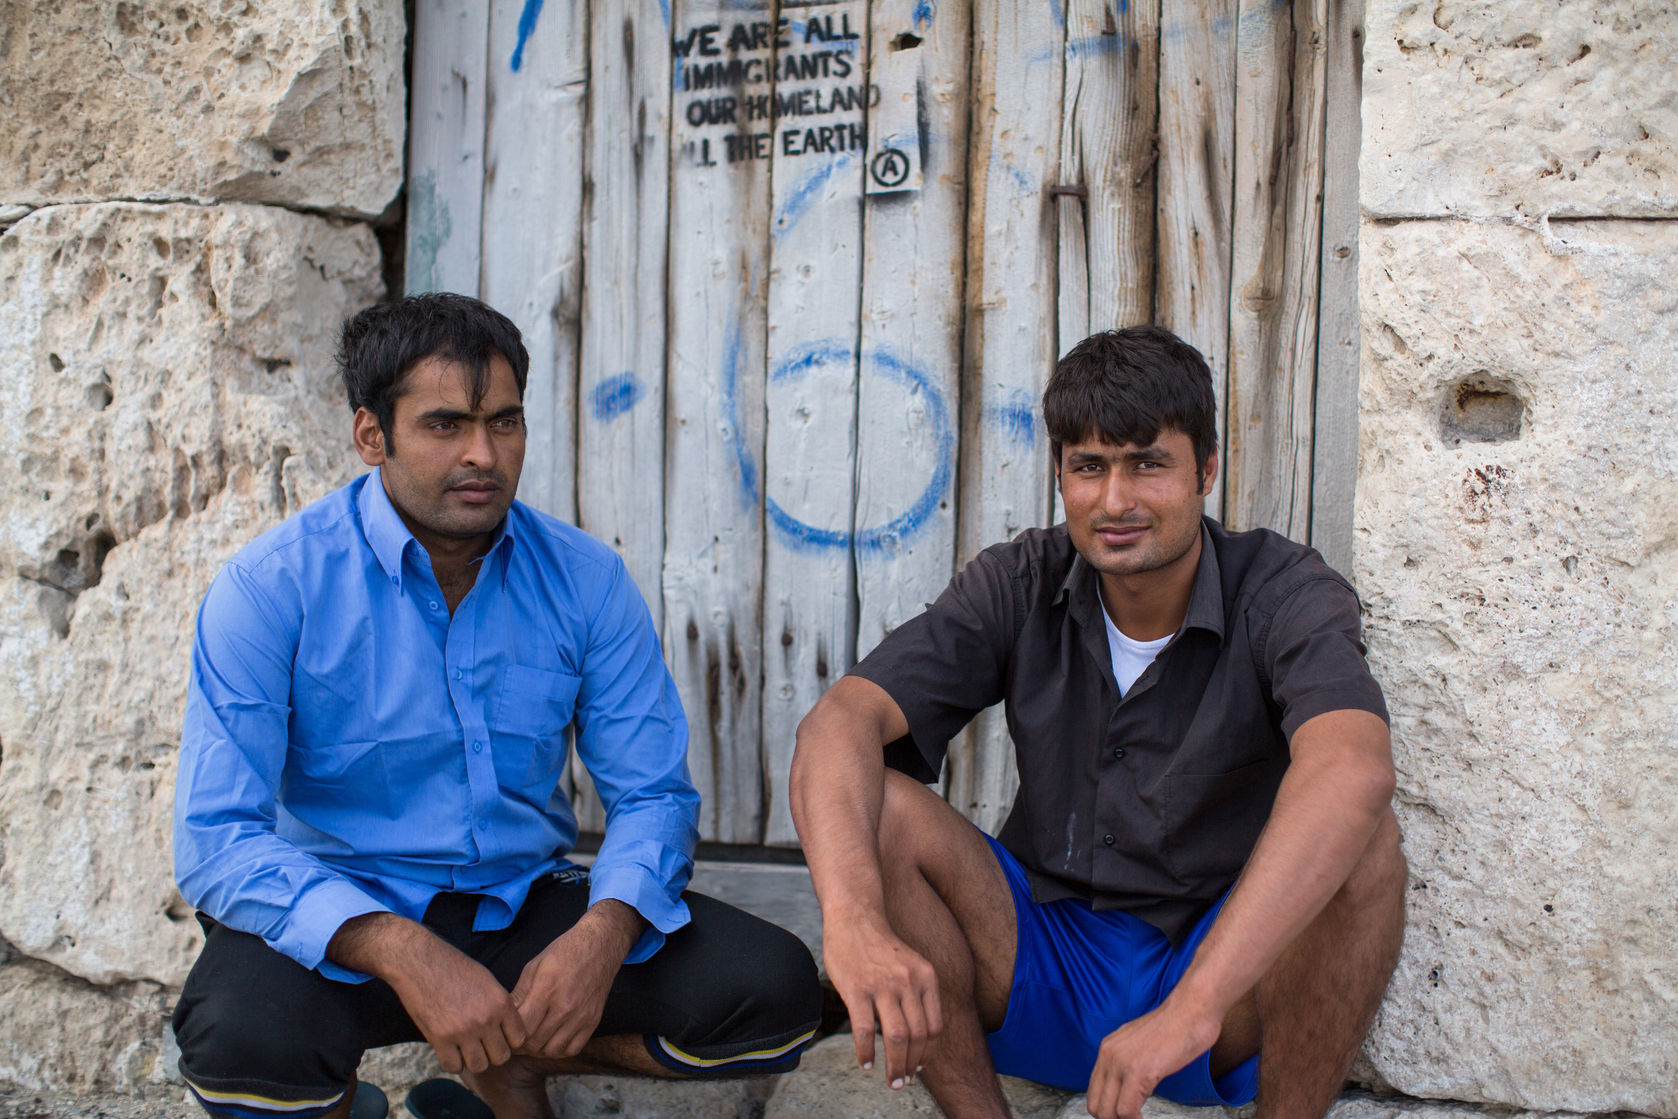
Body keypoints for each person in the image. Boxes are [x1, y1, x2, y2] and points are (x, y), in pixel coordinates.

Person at [172, 293, 821, 1119]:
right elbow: (215, 838)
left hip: (522, 905)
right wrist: (400, 946)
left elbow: (653, 795)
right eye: (446, 424)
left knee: (772, 994)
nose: (485, 453)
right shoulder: (271, 588)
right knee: (240, 1043)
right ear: (372, 434)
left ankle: (509, 1059)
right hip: (348, 918)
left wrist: (602, 933)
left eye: (505, 422)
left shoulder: (584, 579)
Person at [790, 326, 1406, 1119]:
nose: (1115, 501)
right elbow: (837, 724)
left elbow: (1354, 768)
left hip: (1213, 983)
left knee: (1366, 844)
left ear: (1206, 470)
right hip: (1033, 965)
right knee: (880, 805)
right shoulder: (1019, 579)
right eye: (1089, 467)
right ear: (1061, 475)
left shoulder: (1284, 588)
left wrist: (1193, 1004)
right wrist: (852, 924)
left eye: (1148, 463)